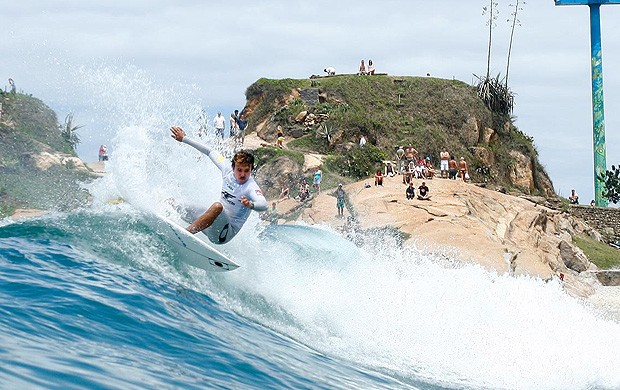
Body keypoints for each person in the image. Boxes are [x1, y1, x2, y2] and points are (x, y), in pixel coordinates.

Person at [169, 126, 268, 244]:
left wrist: (251, 205)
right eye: (239, 170)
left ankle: (185, 235)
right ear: (233, 167)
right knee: (172, 203)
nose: (243, 174)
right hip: (210, 223)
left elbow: (264, 205)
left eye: (247, 170)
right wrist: (184, 139)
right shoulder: (227, 169)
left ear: (251, 169)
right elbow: (210, 151)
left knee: (217, 206)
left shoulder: (250, 187)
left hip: (224, 234)